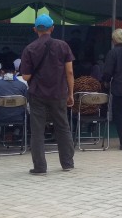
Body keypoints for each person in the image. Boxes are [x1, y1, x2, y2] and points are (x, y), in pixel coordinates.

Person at [20, 14, 75, 175]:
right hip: (59, 93)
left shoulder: (29, 48)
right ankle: (67, 163)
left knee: (37, 130)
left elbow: (26, 77)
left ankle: (40, 167)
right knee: (63, 127)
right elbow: (70, 72)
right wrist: (70, 93)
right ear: (52, 28)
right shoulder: (63, 46)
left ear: (35, 29)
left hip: (37, 94)